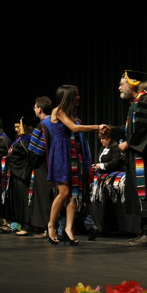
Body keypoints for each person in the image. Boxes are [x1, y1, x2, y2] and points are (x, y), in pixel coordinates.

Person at [104, 70, 147, 247]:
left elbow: (145, 129)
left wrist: (129, 144)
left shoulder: (145, 100)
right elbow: (132, 130)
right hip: (140, 157)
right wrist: (112, 130)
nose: (119, 86)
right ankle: (145, 232)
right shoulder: (136, 103)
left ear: (133, 84)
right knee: (142, 194)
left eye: (123, 82)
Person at [46, 85, 106, 246]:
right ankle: (51, 226)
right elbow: (74, 128)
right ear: (69, 96)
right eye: (76, 95)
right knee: (64, 193)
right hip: (61, 153)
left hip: (73, 154)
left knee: (74, 195)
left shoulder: (71, 114)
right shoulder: (57, 111)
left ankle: (69, 229)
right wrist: (96, 127)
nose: (79, 97)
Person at [28, 96, 54, 239]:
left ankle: (48, 229)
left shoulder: (43, 125)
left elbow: (35, 152)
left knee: (45, 198)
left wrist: (31, 163)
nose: (34, 109)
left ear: (40, 109)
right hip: (56, 165)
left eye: (35, 107)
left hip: (43, 166)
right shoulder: (56, 122)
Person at [6, 116, 35, 236]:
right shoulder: (19, 139)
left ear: (28, 127)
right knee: (18, 200)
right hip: (16, 173)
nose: (17, 129)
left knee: (24, 200)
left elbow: (25, 157)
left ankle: (27, 225)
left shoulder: (28, 138)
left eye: (19, 127)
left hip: (23, 173)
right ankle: (19, 223)